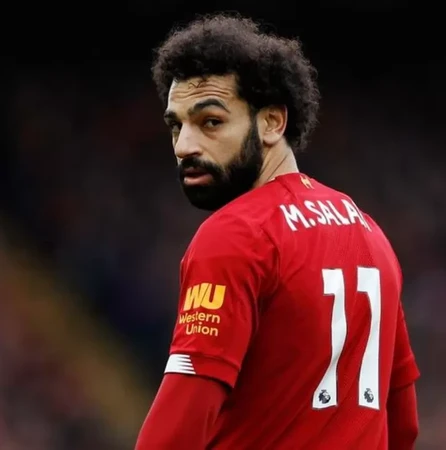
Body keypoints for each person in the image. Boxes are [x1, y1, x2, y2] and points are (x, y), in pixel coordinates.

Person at [135, 13, 420, 450]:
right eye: (177, 125)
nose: (184, 146)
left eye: (210, 122)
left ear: (271, 122)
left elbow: (175, 432)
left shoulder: (234, 235)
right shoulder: (369, 232)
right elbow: (404, 425)